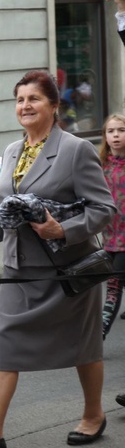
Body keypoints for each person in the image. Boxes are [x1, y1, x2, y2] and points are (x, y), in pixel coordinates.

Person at [0, 70, 115, 448]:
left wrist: (64, 229)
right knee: (5, 345)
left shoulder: (76, 149)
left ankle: (94, 414)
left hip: (67, 272)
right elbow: (6, 211)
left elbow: (104, 209)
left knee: (84, 346)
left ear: (54, 106)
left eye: (34, 99)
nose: (24, 106)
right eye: (20, 100)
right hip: (19, 270)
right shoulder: (11, 151)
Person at [99, 114, 125, 338]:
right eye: (111, 131)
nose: (116, 135)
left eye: (121, 130)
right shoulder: (100, 166)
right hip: (110, 236)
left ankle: (100, 332)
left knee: (114, 285)